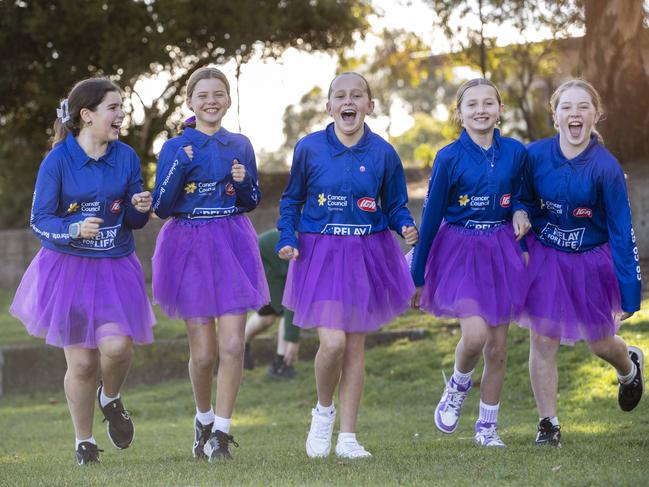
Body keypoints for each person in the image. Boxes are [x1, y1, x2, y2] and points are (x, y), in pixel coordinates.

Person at [9, 78, 155, 465]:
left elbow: (133, 220)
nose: (121, 114)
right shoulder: (57, 161)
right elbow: (38, 221)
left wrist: (140, 206)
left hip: (115, 266)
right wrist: (71, 229)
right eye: (113, 107)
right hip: (67, 270)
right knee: (83, 362)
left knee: (118, 347)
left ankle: (110, 397)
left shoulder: (125, 156)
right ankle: (84, 443)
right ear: (87, 116)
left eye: (122, 106)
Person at [277, 72, 418, 459]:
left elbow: (394, 205)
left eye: (357, 95)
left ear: (370, 106)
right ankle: (323, 413)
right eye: (340, 96)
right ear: (330, 107)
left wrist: (404, 224)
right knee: (333, 343)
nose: (348, 101)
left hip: (367, 254)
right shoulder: (309, 148)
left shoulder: (384, 153)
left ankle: (349, 438)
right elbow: (291, 201)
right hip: (319, 254)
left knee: (355, 348)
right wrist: (287, 238)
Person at [151, 66, 269, 462]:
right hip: (188, 246)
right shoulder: (175, 147)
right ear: (190, 102)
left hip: (232, 244)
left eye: (219, 94)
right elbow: (162, 206)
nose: (211, 101)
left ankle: (221, 432)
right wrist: (180, 165)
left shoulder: (240, 144)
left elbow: (251, 200)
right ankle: (202, 420)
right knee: (203, 354)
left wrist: (241, 181)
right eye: (203, 95)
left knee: (233, 344)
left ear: (228, 100)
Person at [519, 79, 643, 446]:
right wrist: (521, 213)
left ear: (596, 115)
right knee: (542, 338)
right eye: (567, 107)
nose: (575, 113)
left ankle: (628, 364)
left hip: (591, 259)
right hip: (546, 256)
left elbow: (622, 230)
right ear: (555, 116)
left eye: (583, 107)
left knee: (600, 342)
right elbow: (520, 197)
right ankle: (548, 424)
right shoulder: (535, 155)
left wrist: (630, 292)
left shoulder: (606, 168)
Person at [410, 78, 531, 448]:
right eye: (472, 104)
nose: (481, 110)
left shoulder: (515, 152)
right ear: (459, 114)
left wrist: (521, 210)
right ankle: (458, 383)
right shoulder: (448, 157)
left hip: (500, 249)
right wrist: (417, 274)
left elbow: (523, 193)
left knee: (497, 348)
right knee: (475, 336)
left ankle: (487, 428)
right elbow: (430, 217)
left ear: (500, 110)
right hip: (458, 250)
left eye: (488, 103)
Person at [244, 229, 301, 379]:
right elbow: (291, 304)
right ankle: (280, 364)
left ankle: (241, 346)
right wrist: (293, 340)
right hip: (263, 261)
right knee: (284, 311)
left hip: (270, 260)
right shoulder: (304, 251)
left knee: (267, 316)